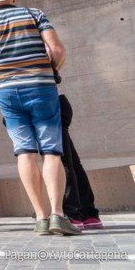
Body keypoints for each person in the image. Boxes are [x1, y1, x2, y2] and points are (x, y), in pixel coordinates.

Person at [0, 0, 80, 236]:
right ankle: (58, 215)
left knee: (24, 151)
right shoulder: (34, 14)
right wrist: (51, 69)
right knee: (51, 152)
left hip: (7, 92)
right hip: (41, 87)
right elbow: (57, 50)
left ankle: (40, 218)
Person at [59, 94, 102, 229]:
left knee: (64, 163)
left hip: (49, 104)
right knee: (71, 163)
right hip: (57, 102)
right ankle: (88, 214)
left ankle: (73, 215)